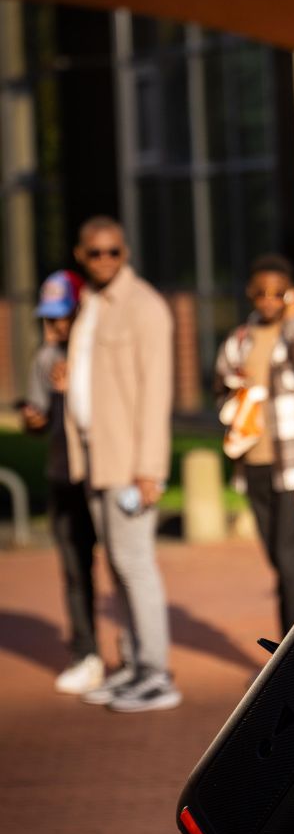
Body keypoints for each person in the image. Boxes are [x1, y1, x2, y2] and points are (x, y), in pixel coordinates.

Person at [64, 215, 180, 712]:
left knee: (135, 564)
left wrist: (149, 467)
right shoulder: (89, 303)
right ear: (81, 255)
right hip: (94, 455)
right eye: (95, 252)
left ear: (125, 253)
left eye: (113, 251)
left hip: (131, 463)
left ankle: (157, 674)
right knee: (117, 565)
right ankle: (133, 666)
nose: (105, 260)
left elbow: (156, 393)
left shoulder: (145, 306)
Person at [214, 255, 294, 636]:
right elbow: (220, 388)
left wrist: (293, 325)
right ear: (250, 293)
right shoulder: (239, 339)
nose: (268, 300)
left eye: (277, 293)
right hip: (253, 461)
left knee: (291, 561)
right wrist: (234, 394)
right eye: (260, 292)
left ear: (292, 294)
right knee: (278, 560)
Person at [20, 270, 102, 694]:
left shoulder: (98, 352)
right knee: (74, 570)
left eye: (62, 315)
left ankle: (135, 657)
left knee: (122, 568)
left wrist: (75, 390)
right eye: (48, 317)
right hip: (62, 475)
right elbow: (36, 420)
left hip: (101, 474)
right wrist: (33, 418)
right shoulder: (45, 357)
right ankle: (86, 653)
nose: (54, 325)